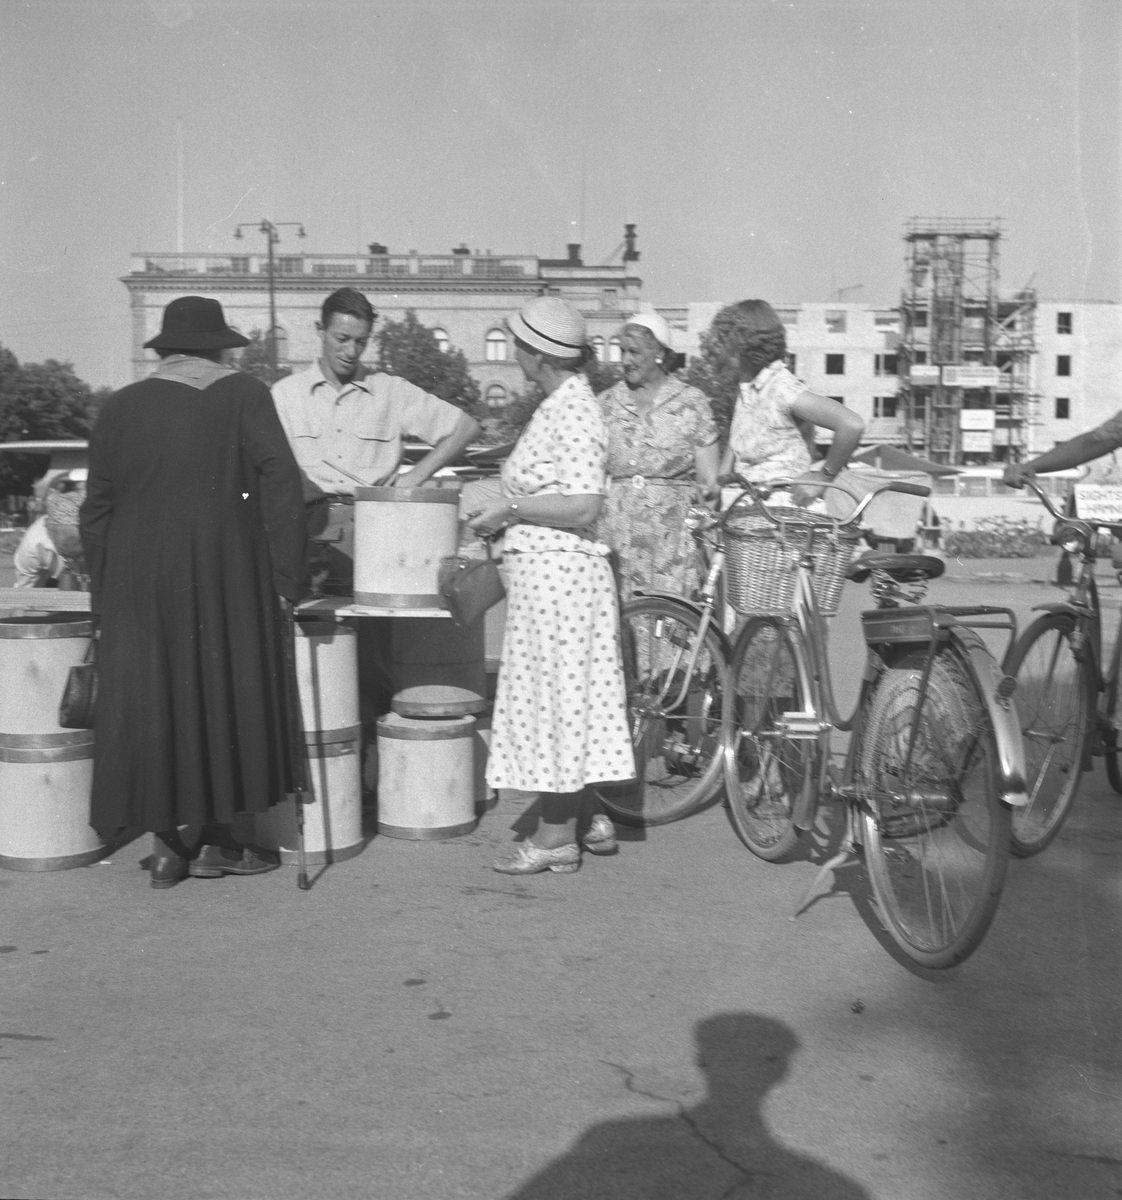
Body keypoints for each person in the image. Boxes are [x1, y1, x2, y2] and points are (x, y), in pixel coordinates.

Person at [80, 296, 309, 889]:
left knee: (158, 701)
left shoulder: (119, 407)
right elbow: (281, 480)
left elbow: (95, 512)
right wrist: (288, 578)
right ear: (219, 347)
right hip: (224, 573)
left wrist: (103, 599)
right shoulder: (245, 395)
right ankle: (218, 839)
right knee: (217, 694)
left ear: (166, 350)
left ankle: (166, 849)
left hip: (135, 584)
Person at [468, 297, 635, 874]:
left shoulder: (575, 410)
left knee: (557, 705)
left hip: (562, 582)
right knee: (562, 702)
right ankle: (584, 819)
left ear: (539, 354)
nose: (514, 352)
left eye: (519, 343)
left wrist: (510, 509)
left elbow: (585, 504)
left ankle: (555, 836)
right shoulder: (560, 405)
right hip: (550, 581)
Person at [271, 287, 481, 595]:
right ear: (320, 330)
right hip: (306, 533)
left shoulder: (391, 391)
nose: (351, 351)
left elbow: (465, 427)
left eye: (361, 341)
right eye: (342, 339)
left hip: (378, 534)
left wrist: (414, 477)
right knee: (309, 621)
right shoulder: (284, 395)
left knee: (376, 623)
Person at [596, 312, 719, 603]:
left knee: (672, 612)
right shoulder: (605, 403)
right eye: (623, 351)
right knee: (618, 614)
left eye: (635, 352)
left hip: (672, 538)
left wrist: (701, 540)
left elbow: (709, 484)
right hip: (616, 535)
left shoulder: (692, 402)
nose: (626, 360)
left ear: (660, 354)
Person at [713, 299, 864, 504]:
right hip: (750, 504)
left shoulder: (781, 387)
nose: (719, 353)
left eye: (723, 343)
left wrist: (823, 478)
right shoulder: (748, 388)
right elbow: (738, 440)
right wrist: (717, 485)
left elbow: (851, 424)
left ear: (742, 345)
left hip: (784, 507)